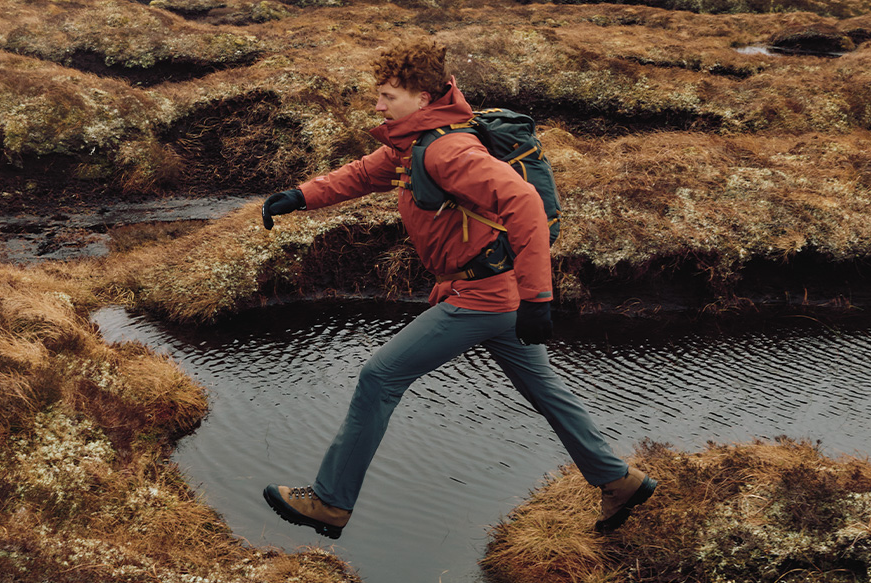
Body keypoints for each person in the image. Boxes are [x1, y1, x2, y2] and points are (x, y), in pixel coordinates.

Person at [258, 38, 655, 539]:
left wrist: (538, 298)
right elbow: (362, 174)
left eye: (388, 96)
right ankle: (617, 479)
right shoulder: (416, 142)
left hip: (487, 297)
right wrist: (299, 197)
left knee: (379, 378)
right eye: (378, 94)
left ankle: (330, 502)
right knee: (545, 389)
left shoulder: (447, 149)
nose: (378, 105)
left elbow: (526, 206)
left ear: (423, 97)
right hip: (494, 291)